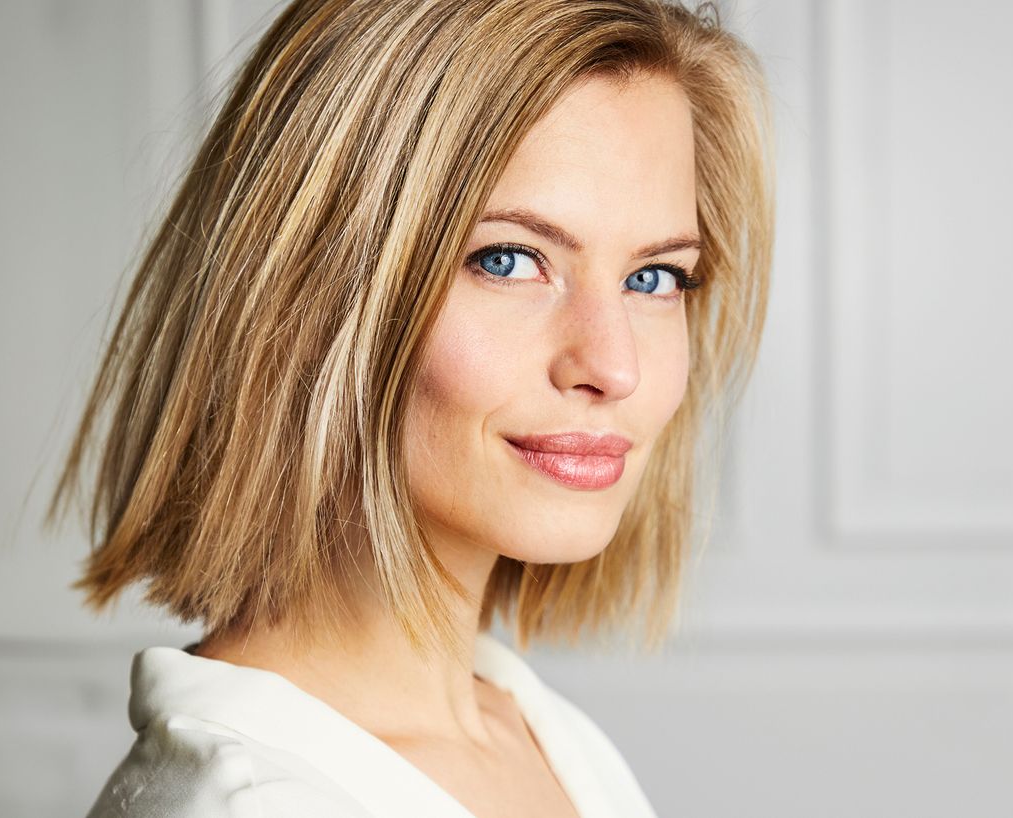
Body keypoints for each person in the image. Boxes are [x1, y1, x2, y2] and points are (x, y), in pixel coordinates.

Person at [44, 0, 774, 815]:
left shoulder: (541, 735)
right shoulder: (249, 804)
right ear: (309, 296)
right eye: (509, 259)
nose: (614, 366)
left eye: (654, 277)